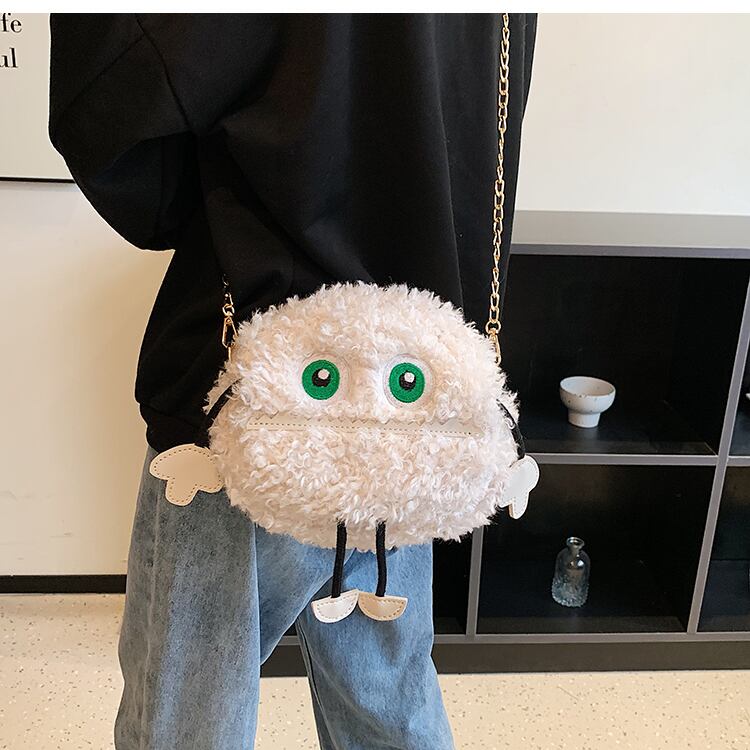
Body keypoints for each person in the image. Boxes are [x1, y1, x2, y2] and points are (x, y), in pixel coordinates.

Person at [49, 13, 536, 749]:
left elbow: (118, 86)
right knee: (388, 704)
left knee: (191, 710)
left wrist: (193, 199)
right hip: (415, 383)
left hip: (248, 384)